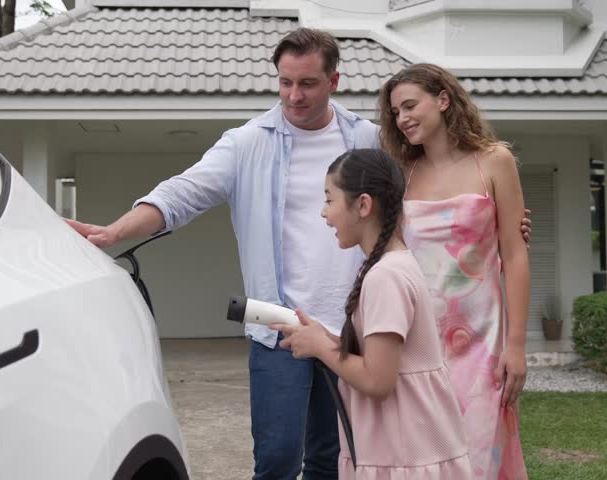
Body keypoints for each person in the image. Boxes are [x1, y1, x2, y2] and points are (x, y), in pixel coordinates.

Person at [65, 29, 531, 479]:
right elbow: (181, 194)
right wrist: (113, 233)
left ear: (334, 82)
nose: (293, 95)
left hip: (352, 332)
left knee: (336, 459)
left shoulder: (370, 140)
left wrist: (502, 223)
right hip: (279, 329)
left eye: (307, 83)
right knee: (278, 460)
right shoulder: (248, 143)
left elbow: (429, 192)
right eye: (285, 82)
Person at [272, 148, 472, 479]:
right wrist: (325, 338)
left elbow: (378, 379)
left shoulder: (385, 277)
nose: (324, 214)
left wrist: (322, 348)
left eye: (329, 200)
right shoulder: (393, 266)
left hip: (403, 457)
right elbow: (384, 357)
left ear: (363, 205)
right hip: (409, 450)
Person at [379, 64, 530, 479]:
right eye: (395, 112)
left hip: (482, 347)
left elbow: (515, 256)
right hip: (419, 343)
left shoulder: (495, 162)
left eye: (410, 105)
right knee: (425, 462)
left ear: (443, 100)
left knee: (479, 458)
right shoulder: (401, 174)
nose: (402, 117)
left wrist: (515, 346)